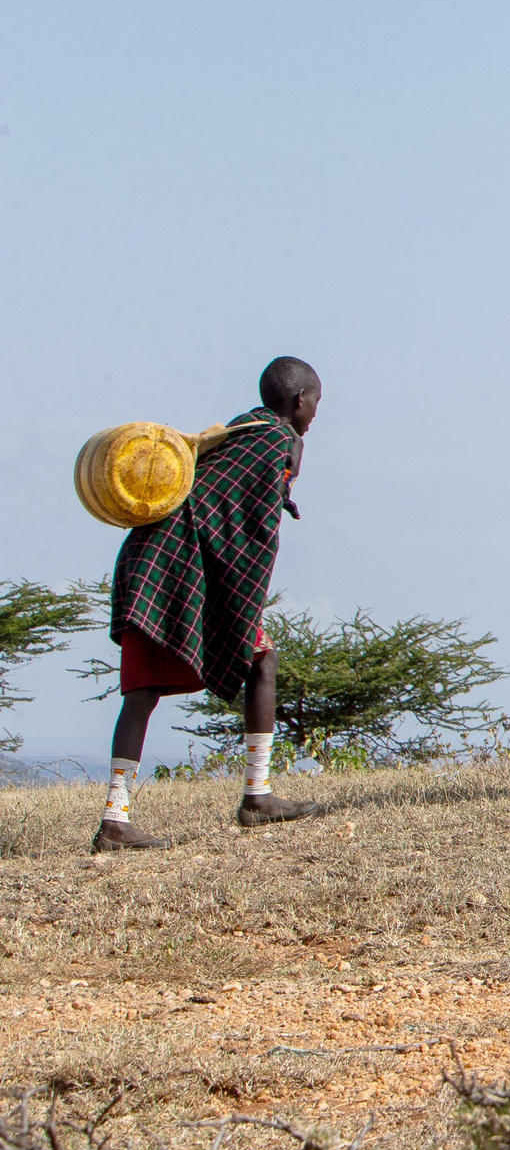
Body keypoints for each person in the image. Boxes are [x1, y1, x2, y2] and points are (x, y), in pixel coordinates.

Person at [96, 357, 327, 852]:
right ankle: (253, 796)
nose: (315, 415)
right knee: (253, 661)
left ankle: (120, 818)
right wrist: (293, 454)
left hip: (151, 561)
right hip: (179, 568)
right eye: (315, 404)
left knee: (152, 689)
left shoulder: (235, 433)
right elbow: (251, 521)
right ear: (297, 400)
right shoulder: (274, 439)